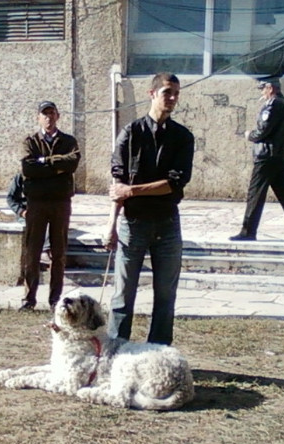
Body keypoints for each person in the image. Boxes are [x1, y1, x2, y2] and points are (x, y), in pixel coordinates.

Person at [105, 72, 194, 345]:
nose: (172, 98)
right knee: (122, 295)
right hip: (133, 224)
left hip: (167, 224)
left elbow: (174, 184)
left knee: (166, 296)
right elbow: (117, 183)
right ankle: (115, 352)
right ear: (152, 93)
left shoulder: (183, 137)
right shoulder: (130, 133)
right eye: (167, 92)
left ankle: (158, 352)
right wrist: (111, 226)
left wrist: (133, 190)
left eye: (176, 93)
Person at [229, 78, 284, 242]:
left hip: (267, 156)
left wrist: (250, 135)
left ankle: (248, 231)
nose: (261, 93)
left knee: (255, 193)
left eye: (263, 89)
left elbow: (263, 130)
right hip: (282, 156)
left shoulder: (273, 104)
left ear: (270, 88)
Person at [19, 101, 80, 311]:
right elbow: (28, 168)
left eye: (52, 113)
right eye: (44, 114)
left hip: (60, 202)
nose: (48, 118)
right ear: (38, 117)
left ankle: (55, 300)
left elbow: (72, 163)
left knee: (59, 252)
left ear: (58, 116)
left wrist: (44, 162)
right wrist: (56, 167)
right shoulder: (30, 141)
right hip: (36, 203)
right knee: (32, 252)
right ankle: (29, 299)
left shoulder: (69, 141)